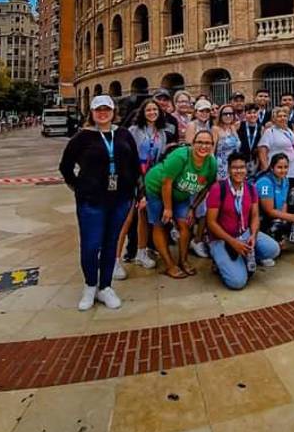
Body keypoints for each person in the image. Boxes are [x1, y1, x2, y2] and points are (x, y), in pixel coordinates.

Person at [59, 95, 140, 311]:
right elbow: (65, 167)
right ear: (92, 113)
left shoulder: (123, 134)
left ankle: (105, 286)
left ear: (113, 111)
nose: (102, 113)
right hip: (92, 201)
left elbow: (134, 163)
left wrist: (134, 189)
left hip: (120, 199)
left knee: (110, 243)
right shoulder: (82, 137)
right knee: (90, 245)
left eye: (107, 109)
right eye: (98, 109)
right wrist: (78, 186)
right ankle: (89, 285)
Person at [143, 130, 218, 279]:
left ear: (212, 146)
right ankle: (169, 265)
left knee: (185, 225)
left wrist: (193, 207)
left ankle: (183, 260)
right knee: (159, 223)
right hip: (157, 188)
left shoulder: (211, 163)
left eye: (208, 143)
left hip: (181, 194)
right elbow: (166, 183)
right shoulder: (180, 156)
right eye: (200, 142)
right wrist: (168, 208)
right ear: (193, 144)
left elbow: (207, 187)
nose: (204, 146)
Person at [206, 153, 280, 289]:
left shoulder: (251, 189)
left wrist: (253, 235)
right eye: (234, 168)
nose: (238, 171)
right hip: (222, 239)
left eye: (242, 167)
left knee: (273, 249)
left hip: (244, 234)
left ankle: (242, 258)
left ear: (246, 169)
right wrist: (233, 242)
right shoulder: (218, 189)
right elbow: (211, 223)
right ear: (228, 169)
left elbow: (255, 215)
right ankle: (220, 260)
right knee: (237, 283)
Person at [122, 98, 173, 270]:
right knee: (130, 217)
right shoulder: (134, 130)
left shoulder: (162, 133)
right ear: (143, 113)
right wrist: (139, 184)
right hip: (135, 176)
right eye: (149, 110)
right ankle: (126, 253)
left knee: (145, 215)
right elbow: (128, 156)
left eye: (155, 110)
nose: (152, 113)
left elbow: (161, 158)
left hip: (152, 178)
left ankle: (142, 251)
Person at [256, 153, 294, 246]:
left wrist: (283, 220)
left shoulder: (285, 180)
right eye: (279, 167)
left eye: (286, 167)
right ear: (272, 168)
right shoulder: (265, 182)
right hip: (261, 217)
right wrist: (290, 217)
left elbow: (284, 202)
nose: (283, 170)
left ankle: (280, 238)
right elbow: (268, 211)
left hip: (275, 215)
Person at [258, 107, 294, 178]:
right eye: (279, 116)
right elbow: (262, 151)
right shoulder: (270, 132)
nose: (282, 118)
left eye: (285, 116)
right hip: (279, 172)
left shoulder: (289, 131)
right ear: (274, 119)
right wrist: (266, 169)